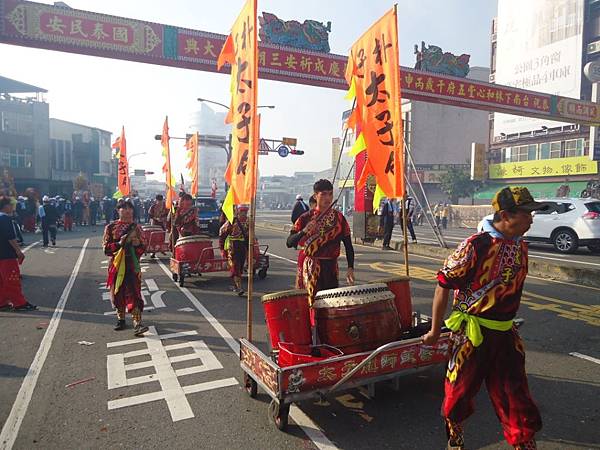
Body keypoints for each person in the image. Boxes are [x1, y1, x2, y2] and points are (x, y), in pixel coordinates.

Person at [422, 186, 545, 450]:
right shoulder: (475, 246)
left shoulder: (521, 246)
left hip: (505, 335)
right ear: (506, 215)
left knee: (515, 395)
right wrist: (434, 330)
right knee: (459, 395)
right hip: (471, 336)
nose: (531, 219)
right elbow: (443, 284)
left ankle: (524, 443)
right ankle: (455, 437)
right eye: (526, 213)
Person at [286, 179, 355, 307]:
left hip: (331, 267)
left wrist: (350, 267)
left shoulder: (339, 218)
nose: (327, 198)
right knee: (311, 305)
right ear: (315, 195)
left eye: (330, 194)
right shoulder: (305, 217)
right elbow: (289, 242)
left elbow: (348, 244)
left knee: (331, 304)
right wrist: (304, 231)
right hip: (311, 267)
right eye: (323, 194)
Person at [103, 200, 148, 335]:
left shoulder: (137, 228)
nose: (127, 211)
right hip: (116, 265)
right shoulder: (110, 228)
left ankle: (137, 322)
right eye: (124, 208)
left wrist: (137, 243)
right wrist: (118, 244)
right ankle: (120, 318)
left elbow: (144, 246)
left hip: (132, 265)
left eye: (130, 208)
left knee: (134, 292)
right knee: (118, 292)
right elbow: (106, 249)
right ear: (118, 210)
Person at [0, 196, 36, 311]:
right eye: (11, 205)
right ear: (6, 206)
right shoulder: (5, 219)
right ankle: (19, 303)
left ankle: (2, 302)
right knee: (12, 280)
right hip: (7, 255)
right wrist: (18, 251)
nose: (12, 207)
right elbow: (10, 237)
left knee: (2, 281)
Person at [219, 206, 249, 296]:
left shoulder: (248, 221)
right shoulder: (232, 221)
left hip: (243, 245)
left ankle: (236, 285)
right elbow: (222, 232)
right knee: (235, 266)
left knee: (240, 266)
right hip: (233, 246)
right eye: (242, 212)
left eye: (245, 212)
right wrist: (222, 247)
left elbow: (249, 235)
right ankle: (239, 287)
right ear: (238, 212)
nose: (244, 214)